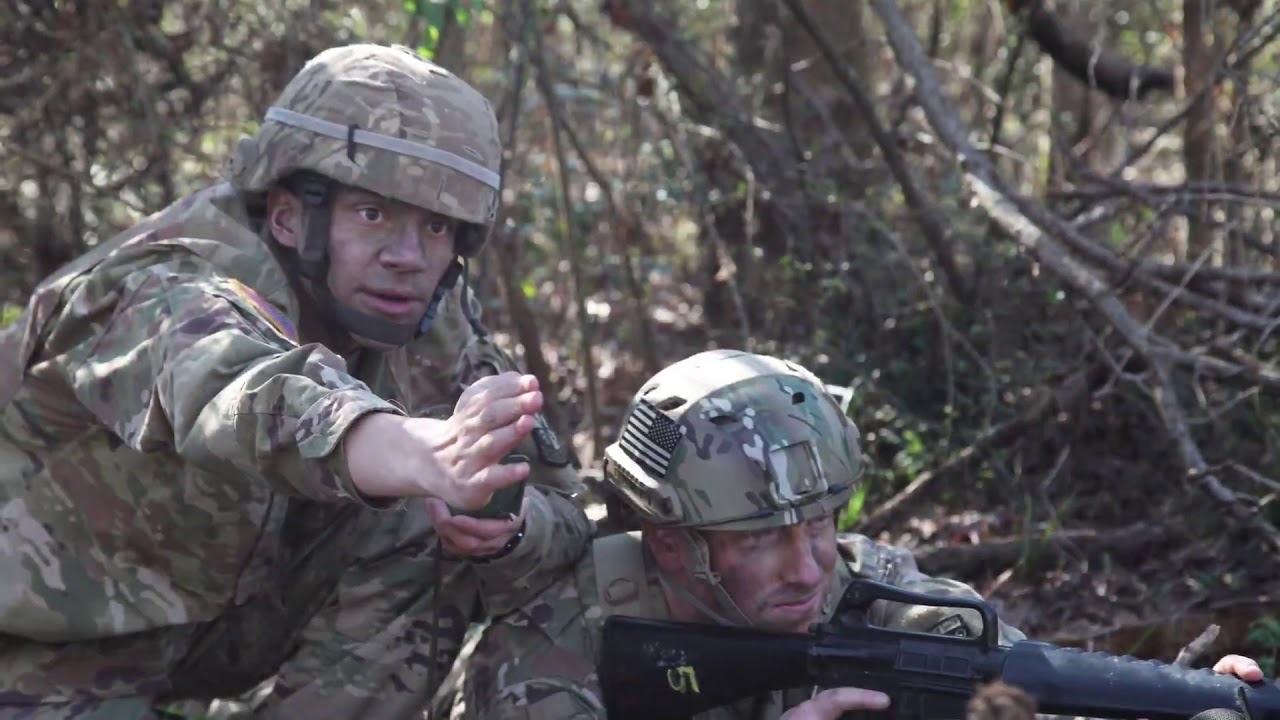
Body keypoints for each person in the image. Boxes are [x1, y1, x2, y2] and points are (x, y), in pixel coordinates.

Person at [0, 43, 592, 719]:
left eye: (436, 226)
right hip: (40, 641)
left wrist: (504, 524)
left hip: (210, 635)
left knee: (434, 520)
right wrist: (412, 449)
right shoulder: (165, 284)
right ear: (287, 213)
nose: (407, 257)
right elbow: (238, 387)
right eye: (373, 214)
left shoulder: (426, 319)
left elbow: (563, 515)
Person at [457, 349, 1266, 720]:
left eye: (819, 525)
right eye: (760, 539)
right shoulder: (559, 640)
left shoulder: (876, 596)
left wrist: (1191, 700)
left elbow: (1019, 694)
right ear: (671, 544)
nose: (809, 567)